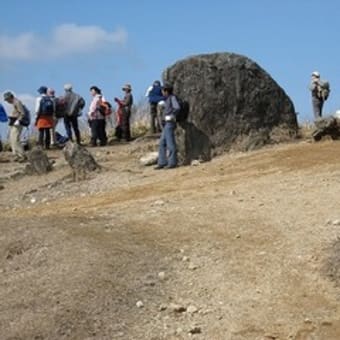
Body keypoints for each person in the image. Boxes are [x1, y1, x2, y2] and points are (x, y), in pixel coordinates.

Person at [154, 83, 180, 169]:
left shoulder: (172, 98)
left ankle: (172, 162)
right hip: (166, 124)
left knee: (170, 142)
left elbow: (177, 108)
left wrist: (172, 115)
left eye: (163, 90)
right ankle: (162, 162)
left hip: (170, 122)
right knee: (162, 142)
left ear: (166, 91)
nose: (162, 92)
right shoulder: (167, 99)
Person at [3, 91, 26, 162]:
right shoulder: (14, 103)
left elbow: (22, 113)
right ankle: (16, 155)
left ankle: (22, 155)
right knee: (12, 139)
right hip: (13, 123)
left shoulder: (17, 102)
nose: (7, 101)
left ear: (10, 97)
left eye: (7, 99)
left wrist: (18, 121)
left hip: (17, 123)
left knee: (15, 139)